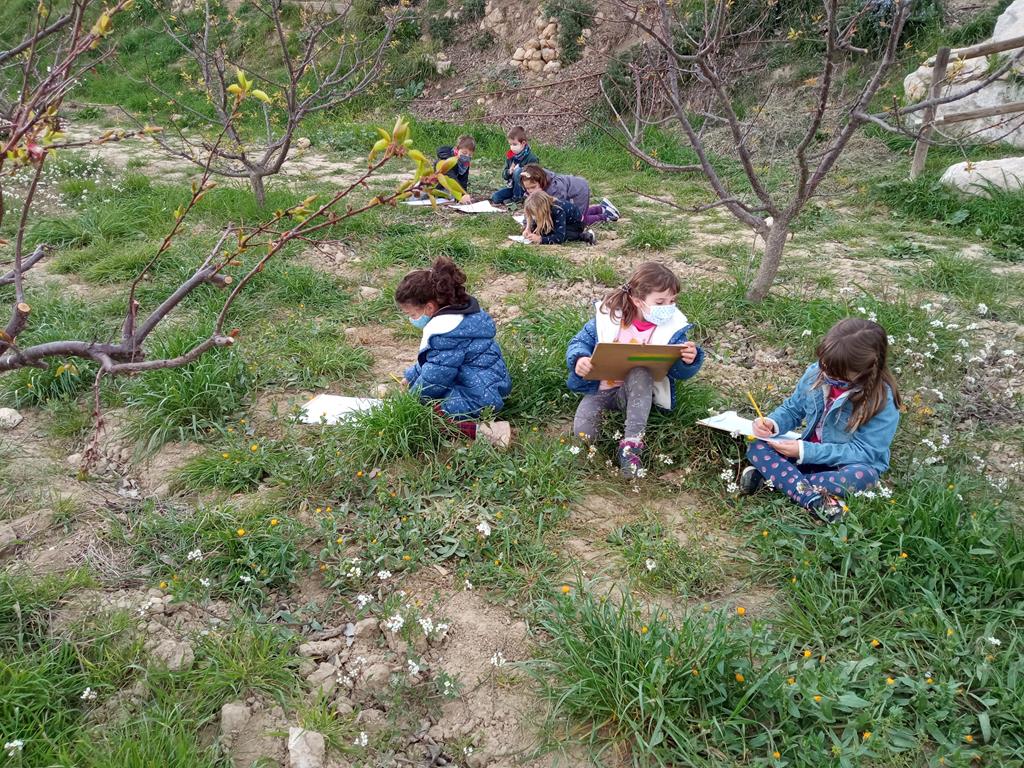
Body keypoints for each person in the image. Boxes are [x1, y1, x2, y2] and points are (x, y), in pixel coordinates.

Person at [739, 318, 902, 523]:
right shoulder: (815, 373)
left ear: (867, 370)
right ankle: (813, 497)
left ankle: (776, 481)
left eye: (838, 375)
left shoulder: (882, 400)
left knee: (863, 477)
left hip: (844, 466)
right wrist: (772, 423)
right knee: (757, 445)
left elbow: (865, 452)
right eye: (824, 366)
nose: (826, 374)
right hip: (804, 457)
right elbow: (793, 409)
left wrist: (806, 451)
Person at [565, 262, 704, 477]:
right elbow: (579, 342)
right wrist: (579, 358)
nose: (668, 307)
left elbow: (676, 373)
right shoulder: (608, 319)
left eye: (672, 301)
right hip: (600, 390)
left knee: (640, 372)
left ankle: (631, 446)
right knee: (584, 435)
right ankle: (592, 452)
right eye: (660, 302)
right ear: (638, 300)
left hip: (640, 392)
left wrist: (688, 361)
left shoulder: (673, 329)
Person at [396, 257, 511, 436]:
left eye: (412, 314)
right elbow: (434, 361)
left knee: (428, 416)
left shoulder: (445, 334)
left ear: (429, 308)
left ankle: (489, 432)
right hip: (491, 384)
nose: (411, 319)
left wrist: (412, 400)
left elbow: (435, 378)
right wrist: (411, 376)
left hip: (479, 397)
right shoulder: (461, 317)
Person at [519, 164, 619, 226]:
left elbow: (559, 209)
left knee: (578, 220)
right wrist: (527, 222)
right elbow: (529, 206)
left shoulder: (554, 190)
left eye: (533, 187)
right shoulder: (534, 189)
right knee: (575, 216)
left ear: (541, 182)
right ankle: (601, 208)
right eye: (527, 188)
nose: (530, 191)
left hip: (578, 191)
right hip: (571, 189)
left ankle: (606, 216)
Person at [522, 190, 595, 245]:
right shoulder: (545, 209)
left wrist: (541, 239)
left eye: (535, 214)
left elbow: (559, 238)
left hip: (574, 225)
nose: (534, 217)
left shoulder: (558, 210)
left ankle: (583, 235)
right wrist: (528, 228)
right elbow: (529, 217)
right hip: (559, 219)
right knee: (544, 230)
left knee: (557, 234)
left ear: (542, 210)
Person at [491, 126, 539, 206]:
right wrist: (509, 172)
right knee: (495, 197)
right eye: (510, 144)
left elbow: (535, 177)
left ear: (523, 143)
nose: (512, 147)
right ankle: (515, 195)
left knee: (518, 171)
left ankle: (518, 198)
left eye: (515, 144)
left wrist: (521, 172)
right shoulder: (510, 157)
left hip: (526, 188)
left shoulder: (532, 158)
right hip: (513, 187)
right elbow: (504, 175)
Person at [436, 134, 475, 202]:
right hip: (436, 184)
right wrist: (460, 195)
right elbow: (451, 178)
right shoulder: (448, 160)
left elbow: (463, 180)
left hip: (449, 186)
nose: (467, 156)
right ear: (457, 150)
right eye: (464, 153)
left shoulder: (465, 164)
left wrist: (464, 194)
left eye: (470, 155)